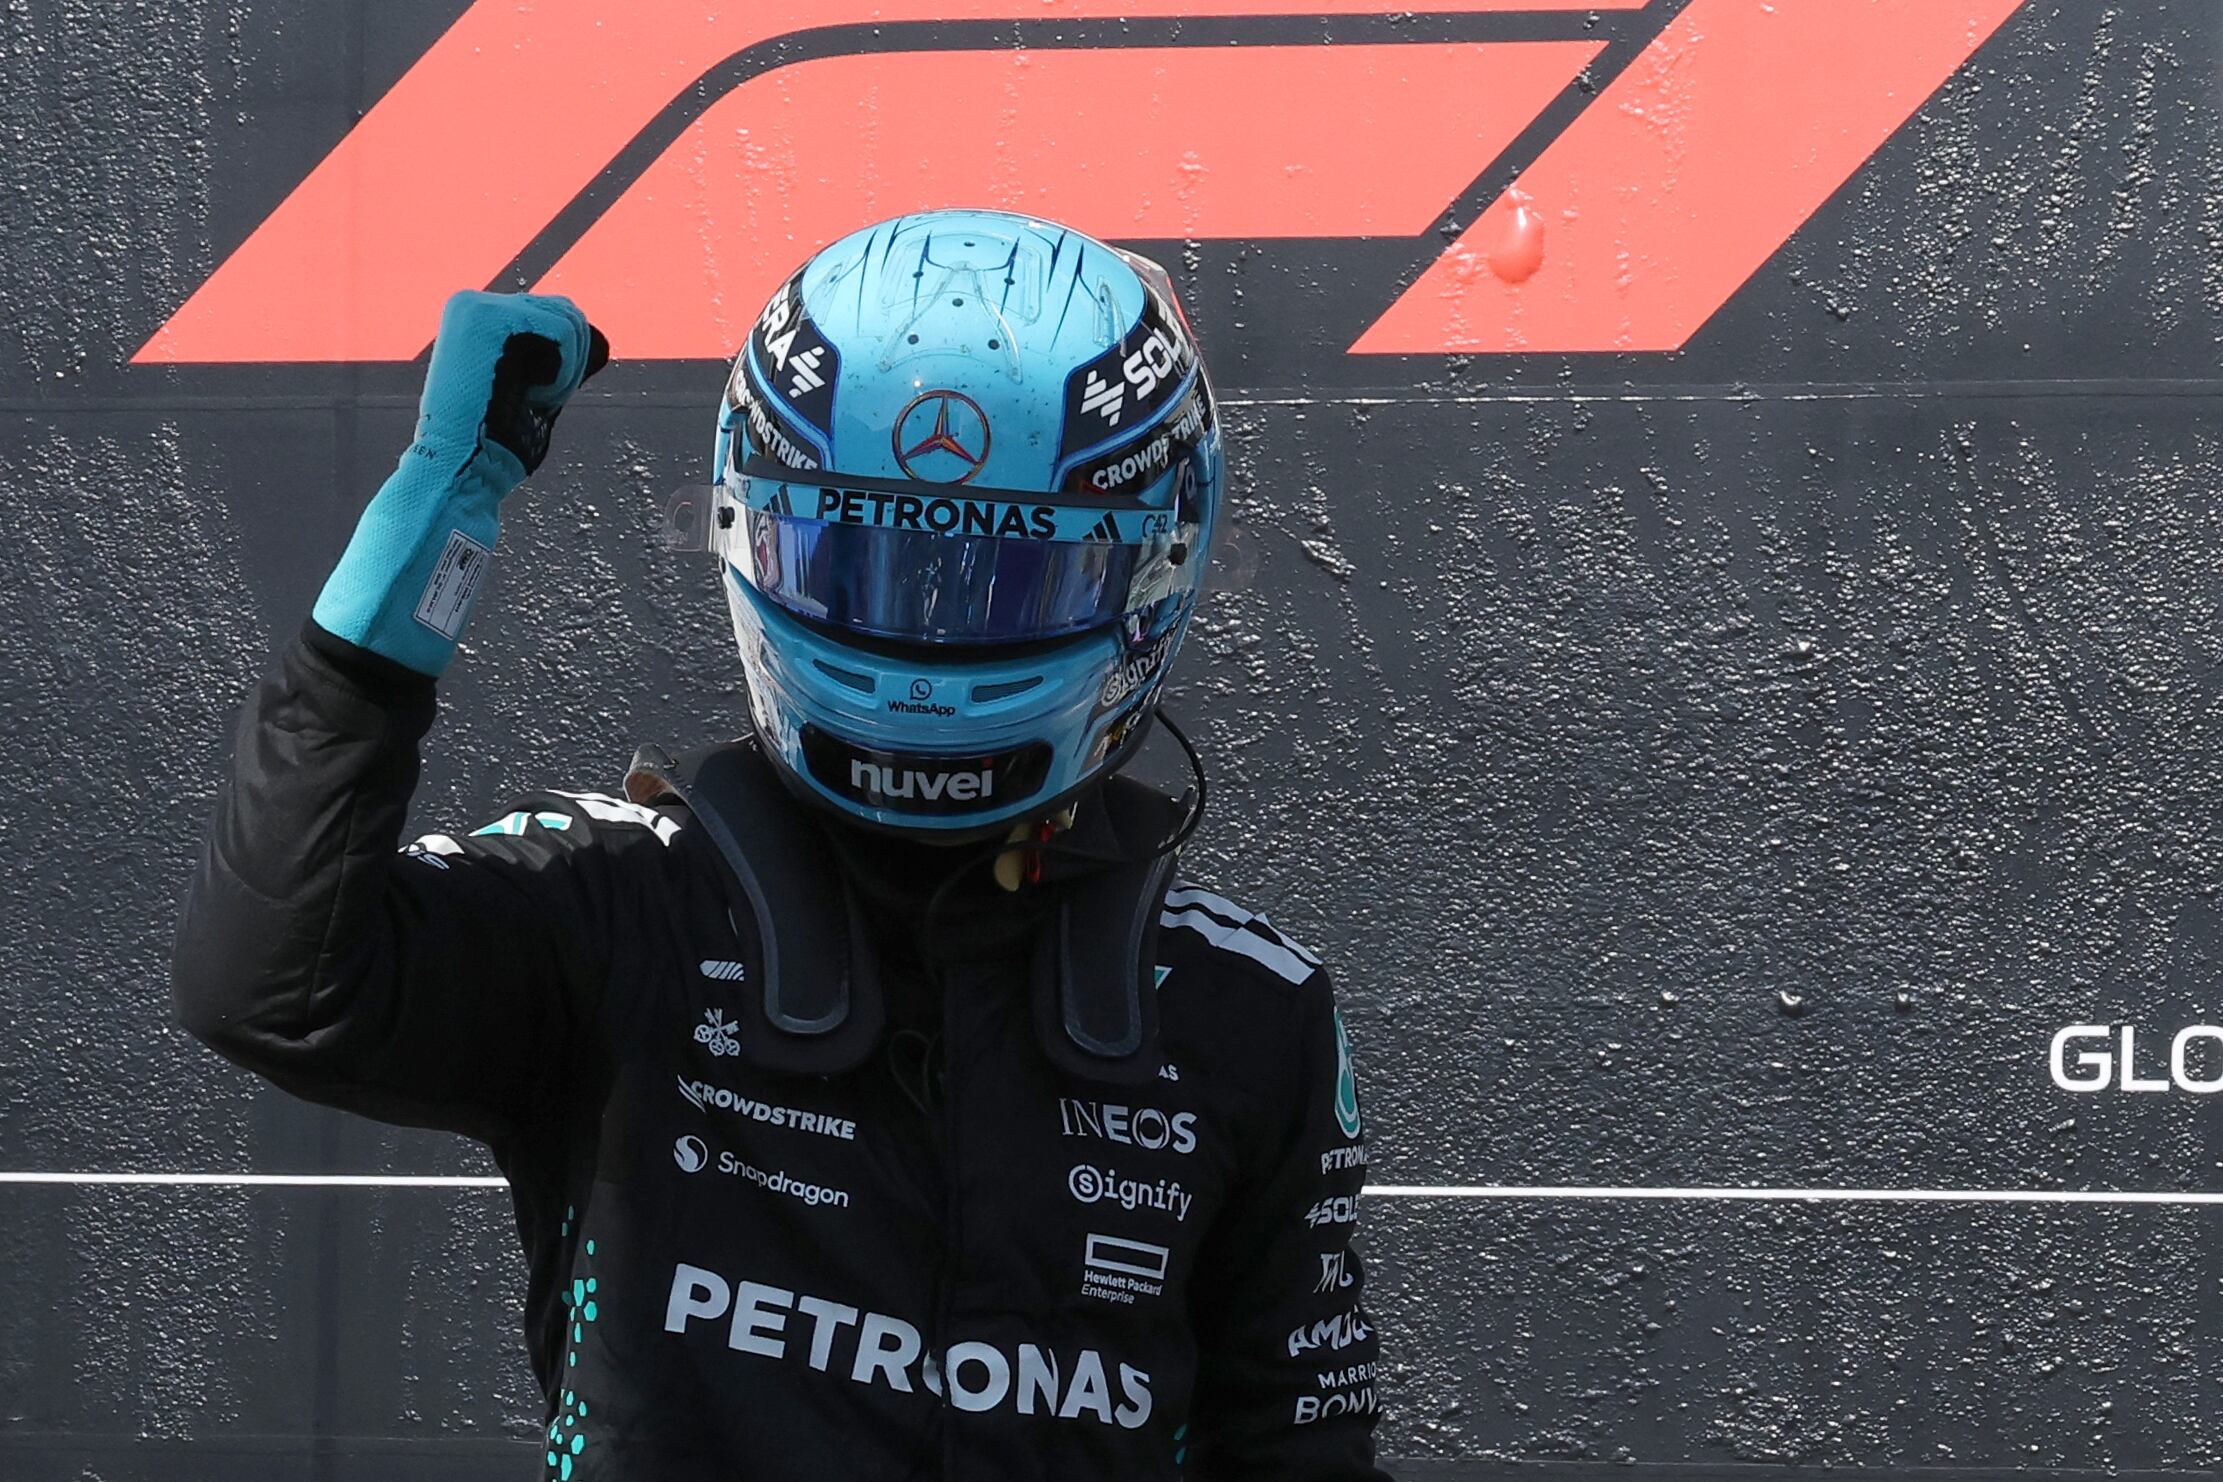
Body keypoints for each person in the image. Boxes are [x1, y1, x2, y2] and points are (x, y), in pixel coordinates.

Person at [173, 209, 1387, 1481]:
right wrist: (441, 499)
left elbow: (1301, 1444)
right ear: (752, 530)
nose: (920, 652)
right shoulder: (629, 904)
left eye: (1006, 587)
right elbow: (272, 983)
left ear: (1159, 570)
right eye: (854, 562)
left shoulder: (1245, 1008)